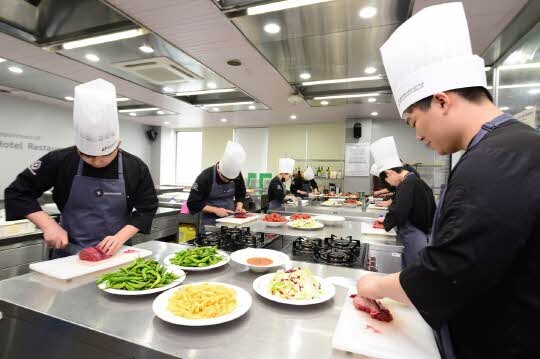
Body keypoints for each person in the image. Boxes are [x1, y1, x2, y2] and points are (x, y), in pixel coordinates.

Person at [356, 3, 540, 358]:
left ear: (441, 101)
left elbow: (447, 273)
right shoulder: (509, 146)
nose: (420, 137)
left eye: (413, 122)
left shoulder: (495, 160)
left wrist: (375, 283)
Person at [4, 79, 158, 257]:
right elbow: (18, 192)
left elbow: (147, 208)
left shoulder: (135, 167)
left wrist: (119, 238)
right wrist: (49, 226)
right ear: (78, 147)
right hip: (69, 251)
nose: (97, 162)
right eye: (88, 155)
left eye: (105, 155)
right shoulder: (59, 160)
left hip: (116, 251)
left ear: (118, 143)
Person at [371, 137, 436, 268]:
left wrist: (386, 222)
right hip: (420, 231)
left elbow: (399, 210)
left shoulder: (407, 184)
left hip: (414, 233)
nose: (390, 185)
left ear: (389, 172)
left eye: (387, 181)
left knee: (412, 270)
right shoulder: (412, 180)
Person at [187, 141, 247, 232]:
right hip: (209, 222)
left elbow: (241, 192)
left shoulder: (236, 174)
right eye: (225, 179)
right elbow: (193, 203)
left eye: (231, 180)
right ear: (219, 170)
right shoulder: (205, 176)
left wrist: (239, 207)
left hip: (230, 220)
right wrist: (215, 210)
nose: (228, 182)